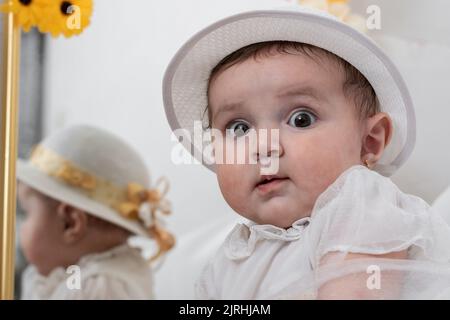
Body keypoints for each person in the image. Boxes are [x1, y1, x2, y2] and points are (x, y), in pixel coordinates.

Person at [162, 3, 450, 299]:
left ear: (370, 141)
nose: (264, 147)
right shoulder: (231, 257)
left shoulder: (360, 205)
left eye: (301, 119)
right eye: (239, 128)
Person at [17, 125, 174, 299]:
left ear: (70, 223)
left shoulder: (99, 288)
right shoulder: (96, 277)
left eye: (27, 213)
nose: (20, 228)